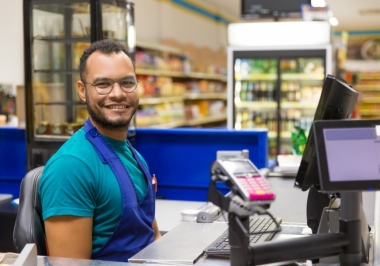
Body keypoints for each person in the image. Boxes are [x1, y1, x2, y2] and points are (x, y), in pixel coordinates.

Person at [38, 39, 161, 262]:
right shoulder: (71, 167)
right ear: (82, 91)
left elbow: (153, 236)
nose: (118, 94)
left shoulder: (134, 155)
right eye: (103, 84)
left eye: (127, 82)